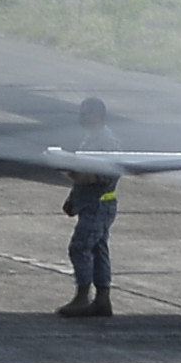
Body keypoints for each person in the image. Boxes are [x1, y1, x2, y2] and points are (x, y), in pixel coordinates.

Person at [59, 104, 122, 320]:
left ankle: (83, 296)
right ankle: (102, 300)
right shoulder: (91, 138)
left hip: (98, 205)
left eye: (86, 113)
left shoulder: (106, 142)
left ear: (97, 115)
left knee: (80, 248)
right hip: (91, 203)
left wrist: (68, 170)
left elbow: (101, 176)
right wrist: (73, 196)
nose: (81, 117)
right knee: (98, 249)